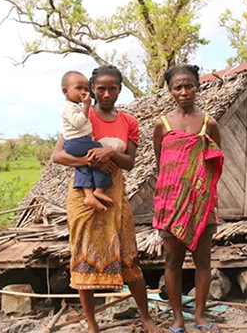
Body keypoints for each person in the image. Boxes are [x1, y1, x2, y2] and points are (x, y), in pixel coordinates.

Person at [52, 65, 162, 333]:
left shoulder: (128, 122)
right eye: (100, 88)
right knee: (83, 256)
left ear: (120, 89)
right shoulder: (81, 115)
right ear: (92, 89)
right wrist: (89, 160)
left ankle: (146, 319)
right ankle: (92, 324)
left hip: (114, 192)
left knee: (128, 255)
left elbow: (130, 163)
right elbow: (58, 155)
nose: (106, 93)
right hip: (82, 194)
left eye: (112, 88)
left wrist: (109, 155)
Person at [152, 64, 224, 333]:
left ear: (198, 87)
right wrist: (176, 193)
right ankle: (177, 318)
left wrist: (199, 193)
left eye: (189, 85)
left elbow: (214, 160)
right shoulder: (163, 124)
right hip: (170, 206)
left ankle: (201, 316)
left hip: (202, 205)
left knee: (202, 260)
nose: (183, 91)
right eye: (177, 87)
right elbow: (163, 164)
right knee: (172, 262)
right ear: (170, 90)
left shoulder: (209, 124)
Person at [60, 70, 113, 212]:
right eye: (79, 88)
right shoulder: (69, 107)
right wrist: (86, 106)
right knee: (98, 150)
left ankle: (89, 195)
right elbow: (77, 123)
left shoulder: (75, 107)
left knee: (83, 167)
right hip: (76, 142)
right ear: (65, 91)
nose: (83, 92)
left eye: (86, 88)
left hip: (76, 143)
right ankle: (100, 188)